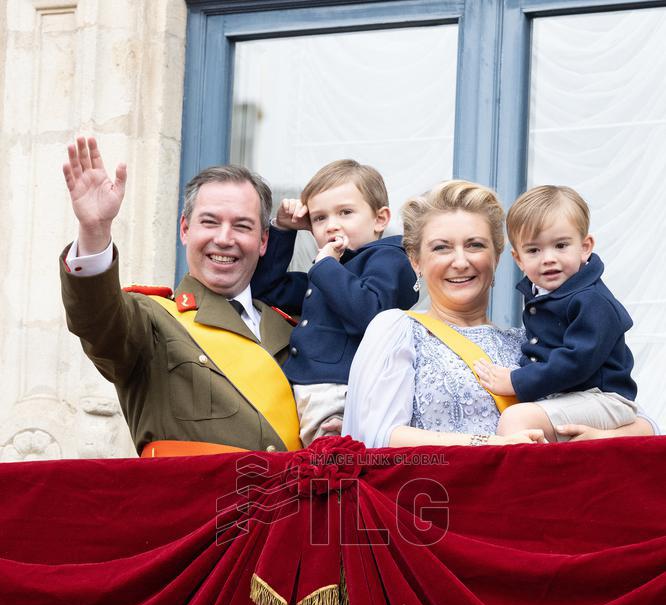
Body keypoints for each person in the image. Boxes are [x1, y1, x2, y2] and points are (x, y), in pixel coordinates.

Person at [342, 180, 654, 448]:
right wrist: (494, 445)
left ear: (500, 257)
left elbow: (636, 418)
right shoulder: (396, 329)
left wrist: (603, 438)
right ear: (415, 261)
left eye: (475, 245)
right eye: (441, 248)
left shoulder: (531, 342)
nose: (461, 261)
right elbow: (377, 438)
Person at [60, 136, 301, 456]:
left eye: (242, 226)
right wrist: (95, 231)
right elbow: (98, 321)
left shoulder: (292, 329)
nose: (225, 238)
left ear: (263, 241)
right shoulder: (151, 319)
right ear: (185, 229)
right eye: (210, 222)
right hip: (194, 505)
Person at [251, 159, 418, 445]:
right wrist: (283, 229)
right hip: (301, 390)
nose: (332, 226)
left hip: (340, 391)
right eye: (319, 218)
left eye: (345, 212)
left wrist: (326, 265)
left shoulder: (388, 258)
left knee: (331, 470)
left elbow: (369, 313)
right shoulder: (329, 271)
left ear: (380, 219)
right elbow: (267, 288)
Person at [474, 185, 638, 442]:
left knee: (517, 419)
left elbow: (577, 361)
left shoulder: (592, 300)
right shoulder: (544, 294)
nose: (548, 258)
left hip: (605, 398)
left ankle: (531, 481)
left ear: (585, 247)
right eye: (533, 250)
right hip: (573, 396)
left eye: (561, 245)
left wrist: (517, 380)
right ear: (518, 259)